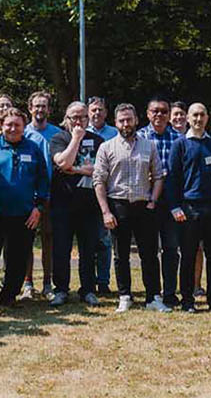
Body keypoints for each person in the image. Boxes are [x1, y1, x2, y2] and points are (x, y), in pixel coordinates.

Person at [94, 104, 167, 312]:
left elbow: (159, 175)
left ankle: (153, 297)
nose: (126, 124)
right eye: (121, 120)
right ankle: (124, 295)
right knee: (121, 254)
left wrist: (153, 199)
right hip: (118, 205)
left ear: (136, 120)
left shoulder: (149, 146)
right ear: (115, 123)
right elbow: (98, 180)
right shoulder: (106, 148)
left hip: (144, 205)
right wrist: (106, 211)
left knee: (150, 254)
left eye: (129, 119)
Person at [165, 103, 211, 312]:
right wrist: (175, 207)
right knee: (188, 256)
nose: (198, 119)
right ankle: (188, 300)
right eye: (195, 115)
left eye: (202, 115)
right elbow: (172, 178)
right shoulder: (180, 144)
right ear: (188, 118)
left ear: (208, 118)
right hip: (188, 209)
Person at [0, 110, 49, 309]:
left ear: (24, 127)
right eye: (8, 124)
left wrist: (38, 208)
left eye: (17, 125)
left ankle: (9, 296)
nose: (12, 128)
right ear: (1, 125)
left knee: (18, 258)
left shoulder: (33, 148)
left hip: (25, 214)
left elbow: (43, 181)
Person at [48, 102, 106, 306]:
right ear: (66, 118)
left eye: (82, 117)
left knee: (89, 249)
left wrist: (77, 169)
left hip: (89, 204)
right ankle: (61, 290)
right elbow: (62, 163)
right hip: (62, 203)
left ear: (88, 119)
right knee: (61, 249)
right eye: (74, 117)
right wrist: (76, 139)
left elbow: (100, 170)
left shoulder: (98, 141)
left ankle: (88, 290)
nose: (78, 121)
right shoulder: (58, 138)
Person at [138, 99, 184, 307]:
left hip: (172, 200)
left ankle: (170, 292)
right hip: (146, 201)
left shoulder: (179, 138)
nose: (159, 115)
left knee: (171, 249)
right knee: (148, 251)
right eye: (155, 111)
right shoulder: (139, 137)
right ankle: (152, 292)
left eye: (164, 111)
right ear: (147, 113)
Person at [24, 91, 62, 299]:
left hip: (51, 194)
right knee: (27, 239)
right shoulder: (23, 132)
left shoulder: (57, 133)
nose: (40, 109)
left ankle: (48, 283)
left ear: (49, 109)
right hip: (28, 194)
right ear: (30, 108)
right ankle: (28, 283)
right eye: (36, 106)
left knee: (49, 238)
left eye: (43, 106)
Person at [86, 96, 118, 295]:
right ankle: (88, 281)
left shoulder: (114, 133)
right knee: (88, 241)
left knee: (105, 240)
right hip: (84, 194)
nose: (97, 113)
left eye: (100, 110)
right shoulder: (81, 132)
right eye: (93, 110)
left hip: (109, 192)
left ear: (106, 112)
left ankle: (103, 281)